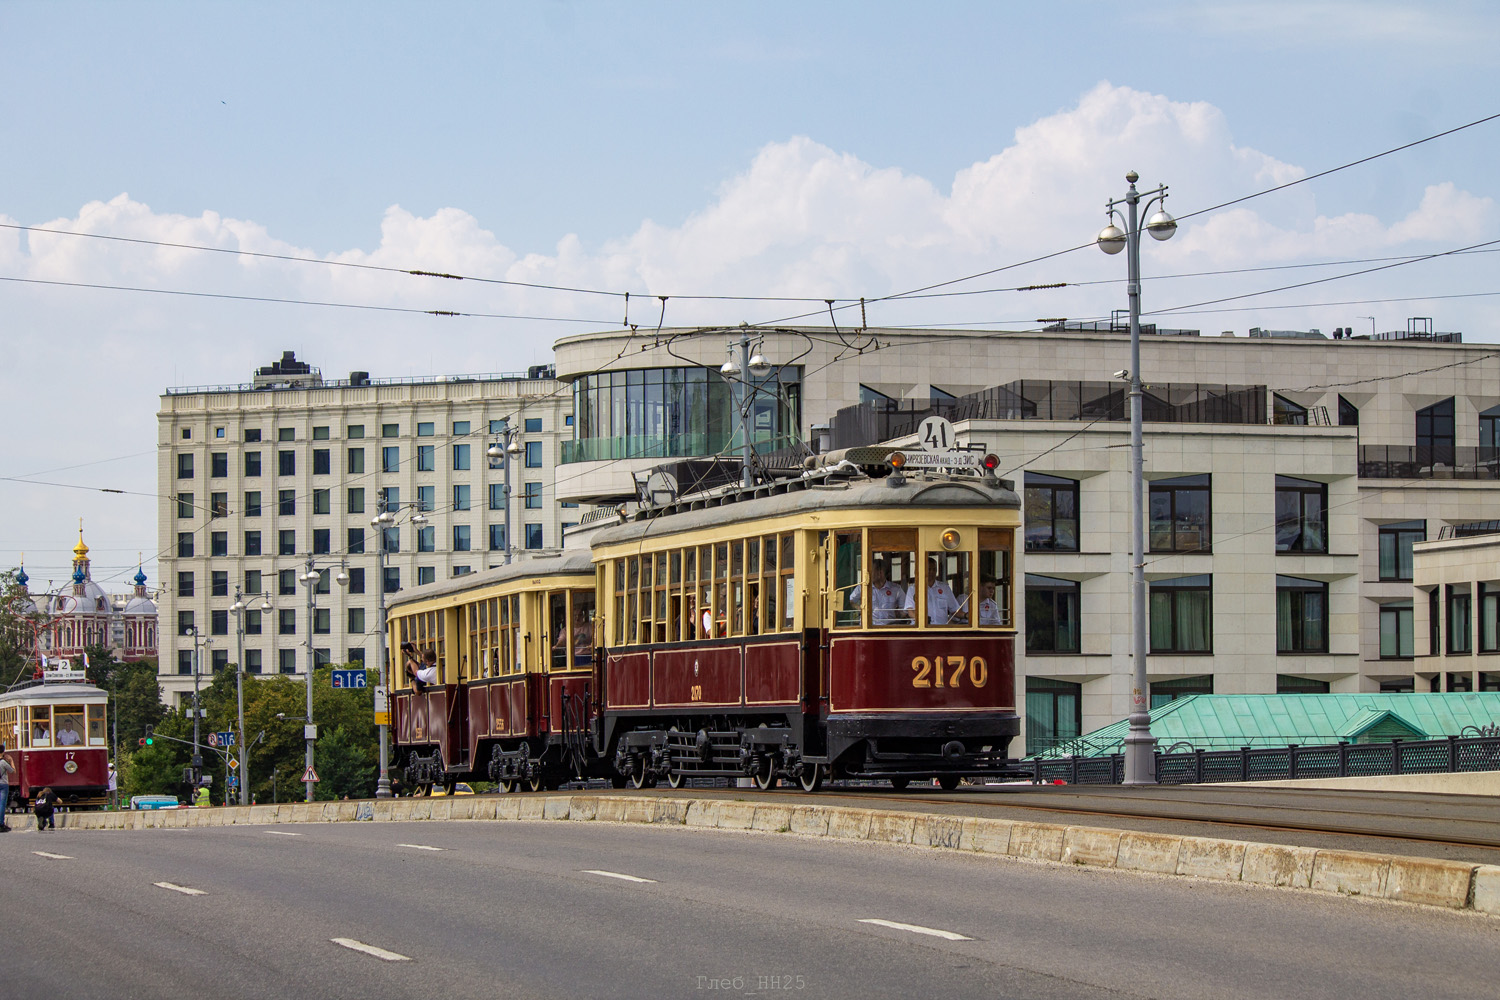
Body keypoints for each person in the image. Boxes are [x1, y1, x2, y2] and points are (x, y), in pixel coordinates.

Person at [850, 558, 911, 626]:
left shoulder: (896, 589)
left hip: (888, 628)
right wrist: (859, 608)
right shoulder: (863, 587)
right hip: (867, 628)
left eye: (871, 571)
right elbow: (851, 600)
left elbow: (904, 610)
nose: (869, 574)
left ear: (880, 573)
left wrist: (899, 615)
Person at [924, 558, 964, 625]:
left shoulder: (944, 588)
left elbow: (955, 610)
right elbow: (911, 612)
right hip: (922, 630)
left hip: (941, 630)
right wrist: (923, 619)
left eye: (934, 569)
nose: (932, 572)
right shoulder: (914, 589)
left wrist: (966, 615)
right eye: (929, 569)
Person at [0, 744, 14, 832]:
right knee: (2, 804)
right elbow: (12, 771)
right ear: (3, 752)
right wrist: (11, 761)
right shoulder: (3, 762)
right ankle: (1, 823)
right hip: (3, 784)